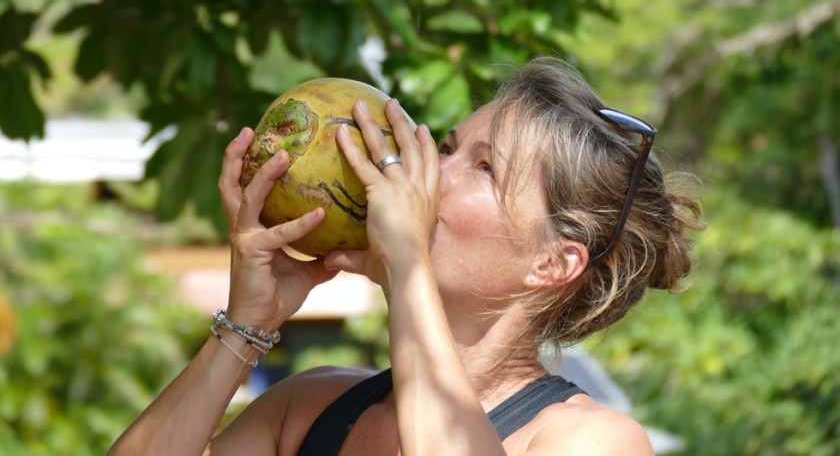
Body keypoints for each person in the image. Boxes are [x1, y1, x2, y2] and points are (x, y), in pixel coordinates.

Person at [109, 57, 703, 455]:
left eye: (484, 167)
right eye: (446, 147)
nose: (424, 169)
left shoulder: (589, 441)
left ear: (551, 264)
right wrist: (248, 324)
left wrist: (408, 265)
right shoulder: (309, 407)